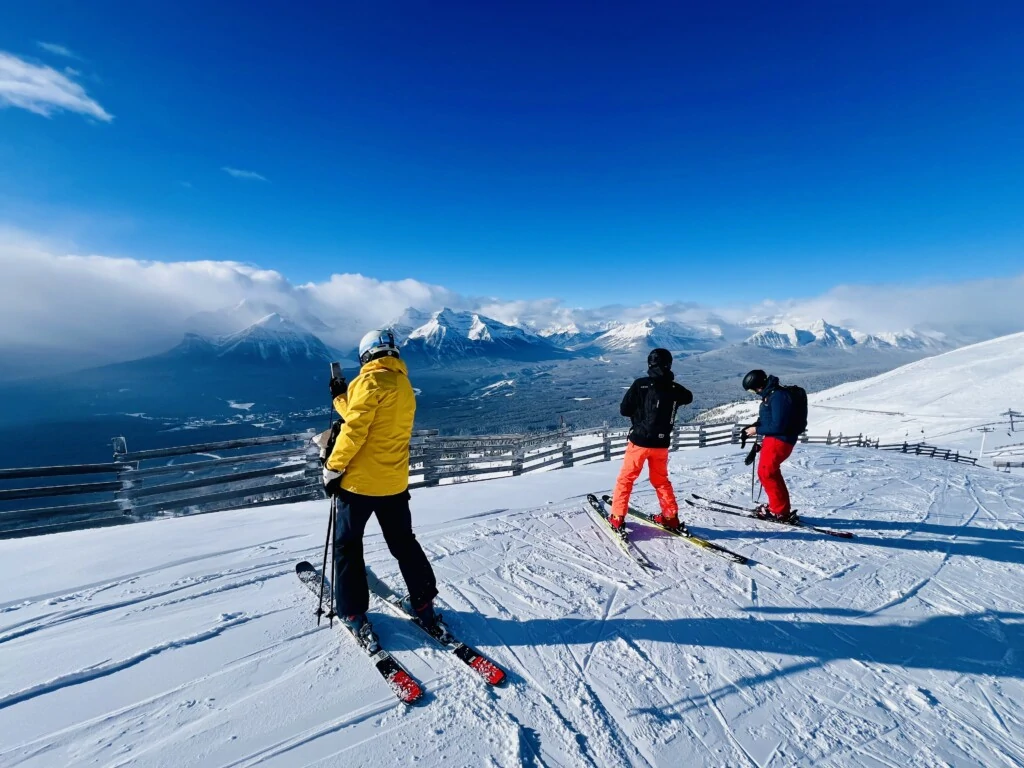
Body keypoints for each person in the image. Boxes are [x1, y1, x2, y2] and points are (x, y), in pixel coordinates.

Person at [322, 328, 439, 647]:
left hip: (359, 485)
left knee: (347, 546)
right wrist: (341, 397)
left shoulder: (367, 381)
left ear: (366, 356)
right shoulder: (402, 385)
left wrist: (333, 468)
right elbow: (367, 414)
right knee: (404, 543)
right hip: (395, 483)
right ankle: (424, 604)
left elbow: (354, 430)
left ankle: (353, 612)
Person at [610, 348, 694, 531]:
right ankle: (670, 517)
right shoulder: (675, 389)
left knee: (626, 479)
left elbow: (624, 410)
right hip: (661, 444)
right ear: (669, 364)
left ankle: (617, 516)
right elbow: (688, 397)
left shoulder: (640, 384)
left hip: (639, 442)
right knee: (661, 481)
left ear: (650, 364)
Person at [741, 369, 803, 523]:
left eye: (752, 389)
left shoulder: (777, 396)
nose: (754, 392)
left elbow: (779, 426)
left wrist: (757, 430)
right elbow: (772, 419)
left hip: (779, 440)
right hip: (775, 439)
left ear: (757, 386)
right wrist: (756, 425)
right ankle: (779, 508)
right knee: (769, 473)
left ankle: (778, 511)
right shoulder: (772, 395)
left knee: (767, 473)